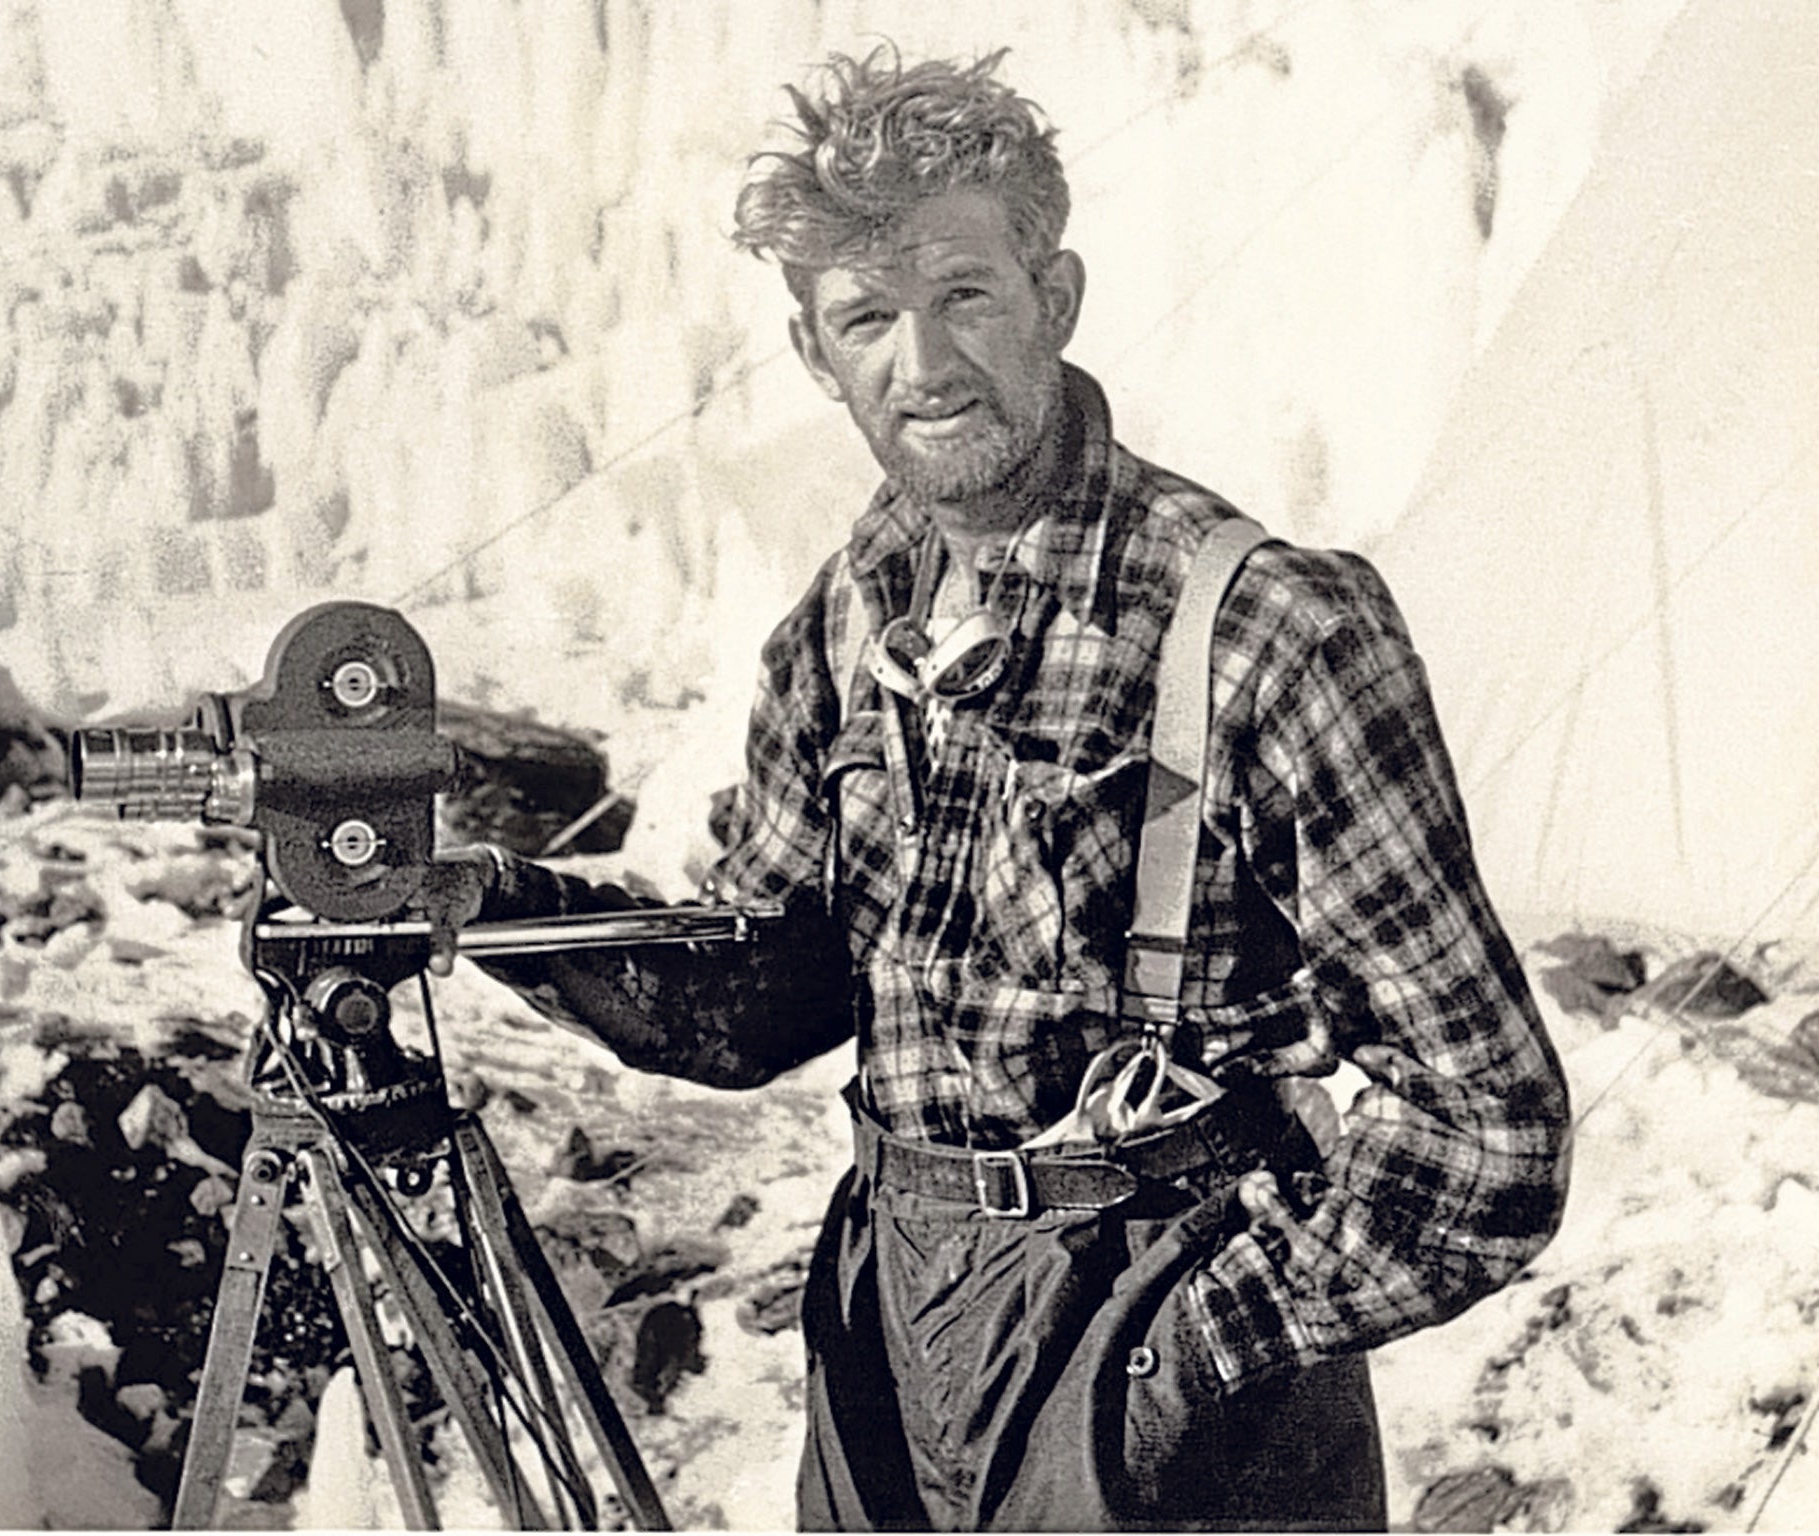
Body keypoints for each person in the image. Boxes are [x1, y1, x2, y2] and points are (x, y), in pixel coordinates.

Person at [427, 46, 1572, 1532]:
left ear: (1057, 295)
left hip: (1162, 1356)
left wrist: (1182, 1366)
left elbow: (1491, 1125)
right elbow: (764, 988)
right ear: (812, 352)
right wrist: (489, 911)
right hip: (888, 1336)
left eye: (966, 294)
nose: (927, 364)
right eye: (869, 319)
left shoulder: (1263, 631)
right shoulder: (846, 620)